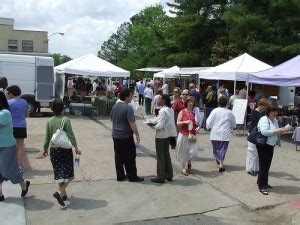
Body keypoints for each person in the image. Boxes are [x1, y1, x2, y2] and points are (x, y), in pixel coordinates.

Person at [43, 99, 81, 206]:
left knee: (59, 172)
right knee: (69, 173)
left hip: (54, 150)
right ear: (63, 109)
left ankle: (63, 195)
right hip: (65, 150)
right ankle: (60, 192)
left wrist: (45, 148)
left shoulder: (49, 121)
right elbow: (71, 135)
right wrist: (76, 147)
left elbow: (47, 137)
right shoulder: (66, 120)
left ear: (52, 109)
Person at [0, 91, 30, 201]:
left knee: (9, 171)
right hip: (19, 127)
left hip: (6, 146)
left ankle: (24, 184)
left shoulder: (5, 113)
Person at [111, 88, 144, 182]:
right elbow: (132, 123)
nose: (132, 98)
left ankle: (120, 175)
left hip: (116, 135)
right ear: (126, 97)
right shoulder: (128, 107)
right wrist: (137, 134)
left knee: (118, 156)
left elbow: (112, 119)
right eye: (131, 96)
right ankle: (132, 176)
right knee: (130, 156)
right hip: (125, 135)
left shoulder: (115, 106)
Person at [256, 107, 286, 195]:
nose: (275, 113)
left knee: (266, 165)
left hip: (271, 145)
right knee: (264, 166)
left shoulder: (275, 120)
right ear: (268, 112)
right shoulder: (264, 119)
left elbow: (275, 131)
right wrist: (277, 130)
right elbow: (264, 132)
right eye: (274, 112)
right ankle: (262, 186)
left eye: (276, 112)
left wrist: (281, 131)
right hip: (264, 145)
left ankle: (261, 182)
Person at [150, 95, 177, 183]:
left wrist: (150, 125)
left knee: (160, 156)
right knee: (166, 155)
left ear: (164, 101)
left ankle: (160, 176)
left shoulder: (162, 111)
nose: (157, 100)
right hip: (167, 135)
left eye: (159, 99)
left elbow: (159, 126)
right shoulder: (170, 109)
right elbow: (162, 120)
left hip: (161, 136)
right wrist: (154, 119)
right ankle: (169, 174)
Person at [206, 97, 236, 172]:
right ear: (227, 103)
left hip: (215, 133)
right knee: (223, 149)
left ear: (218, 102)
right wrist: (232, 127)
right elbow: (233, 123)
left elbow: (209, 121)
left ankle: (220, 163)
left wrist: (208, 127)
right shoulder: (229, 112)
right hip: (225, 133)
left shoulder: (215, 111)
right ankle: (220, 163)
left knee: (216, 148)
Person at [6, 85, 29, 170]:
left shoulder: (8, 102)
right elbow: (26, 115)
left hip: (11, 127)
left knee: (10, 146)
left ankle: (10, 164)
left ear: (11, 93)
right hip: (22, 126)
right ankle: (18, 165)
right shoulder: (24, 102)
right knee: (20, 147)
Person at [176, 96, 200, 176]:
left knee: (194, 152)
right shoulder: (182, 111)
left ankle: (189, 161)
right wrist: (185, 122)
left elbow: (198, 124)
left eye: (192, 102)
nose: (191, 103)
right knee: (183, 152)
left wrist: (198, 128)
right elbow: (178, 123)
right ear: (186, 103)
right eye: (189, 102)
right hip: (183, 134)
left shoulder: (194, 113)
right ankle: (183, 168)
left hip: (192, 135)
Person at [246, 100, 268, 176]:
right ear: (260, 105)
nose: (265, 108)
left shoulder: (264, 113)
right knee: (252, 152)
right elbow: (254, 123)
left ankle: (257, 169)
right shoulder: (253, 112)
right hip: (253, 133)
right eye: (265, 106)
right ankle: (250, 169)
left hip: (260, 134)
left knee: (258, 152)